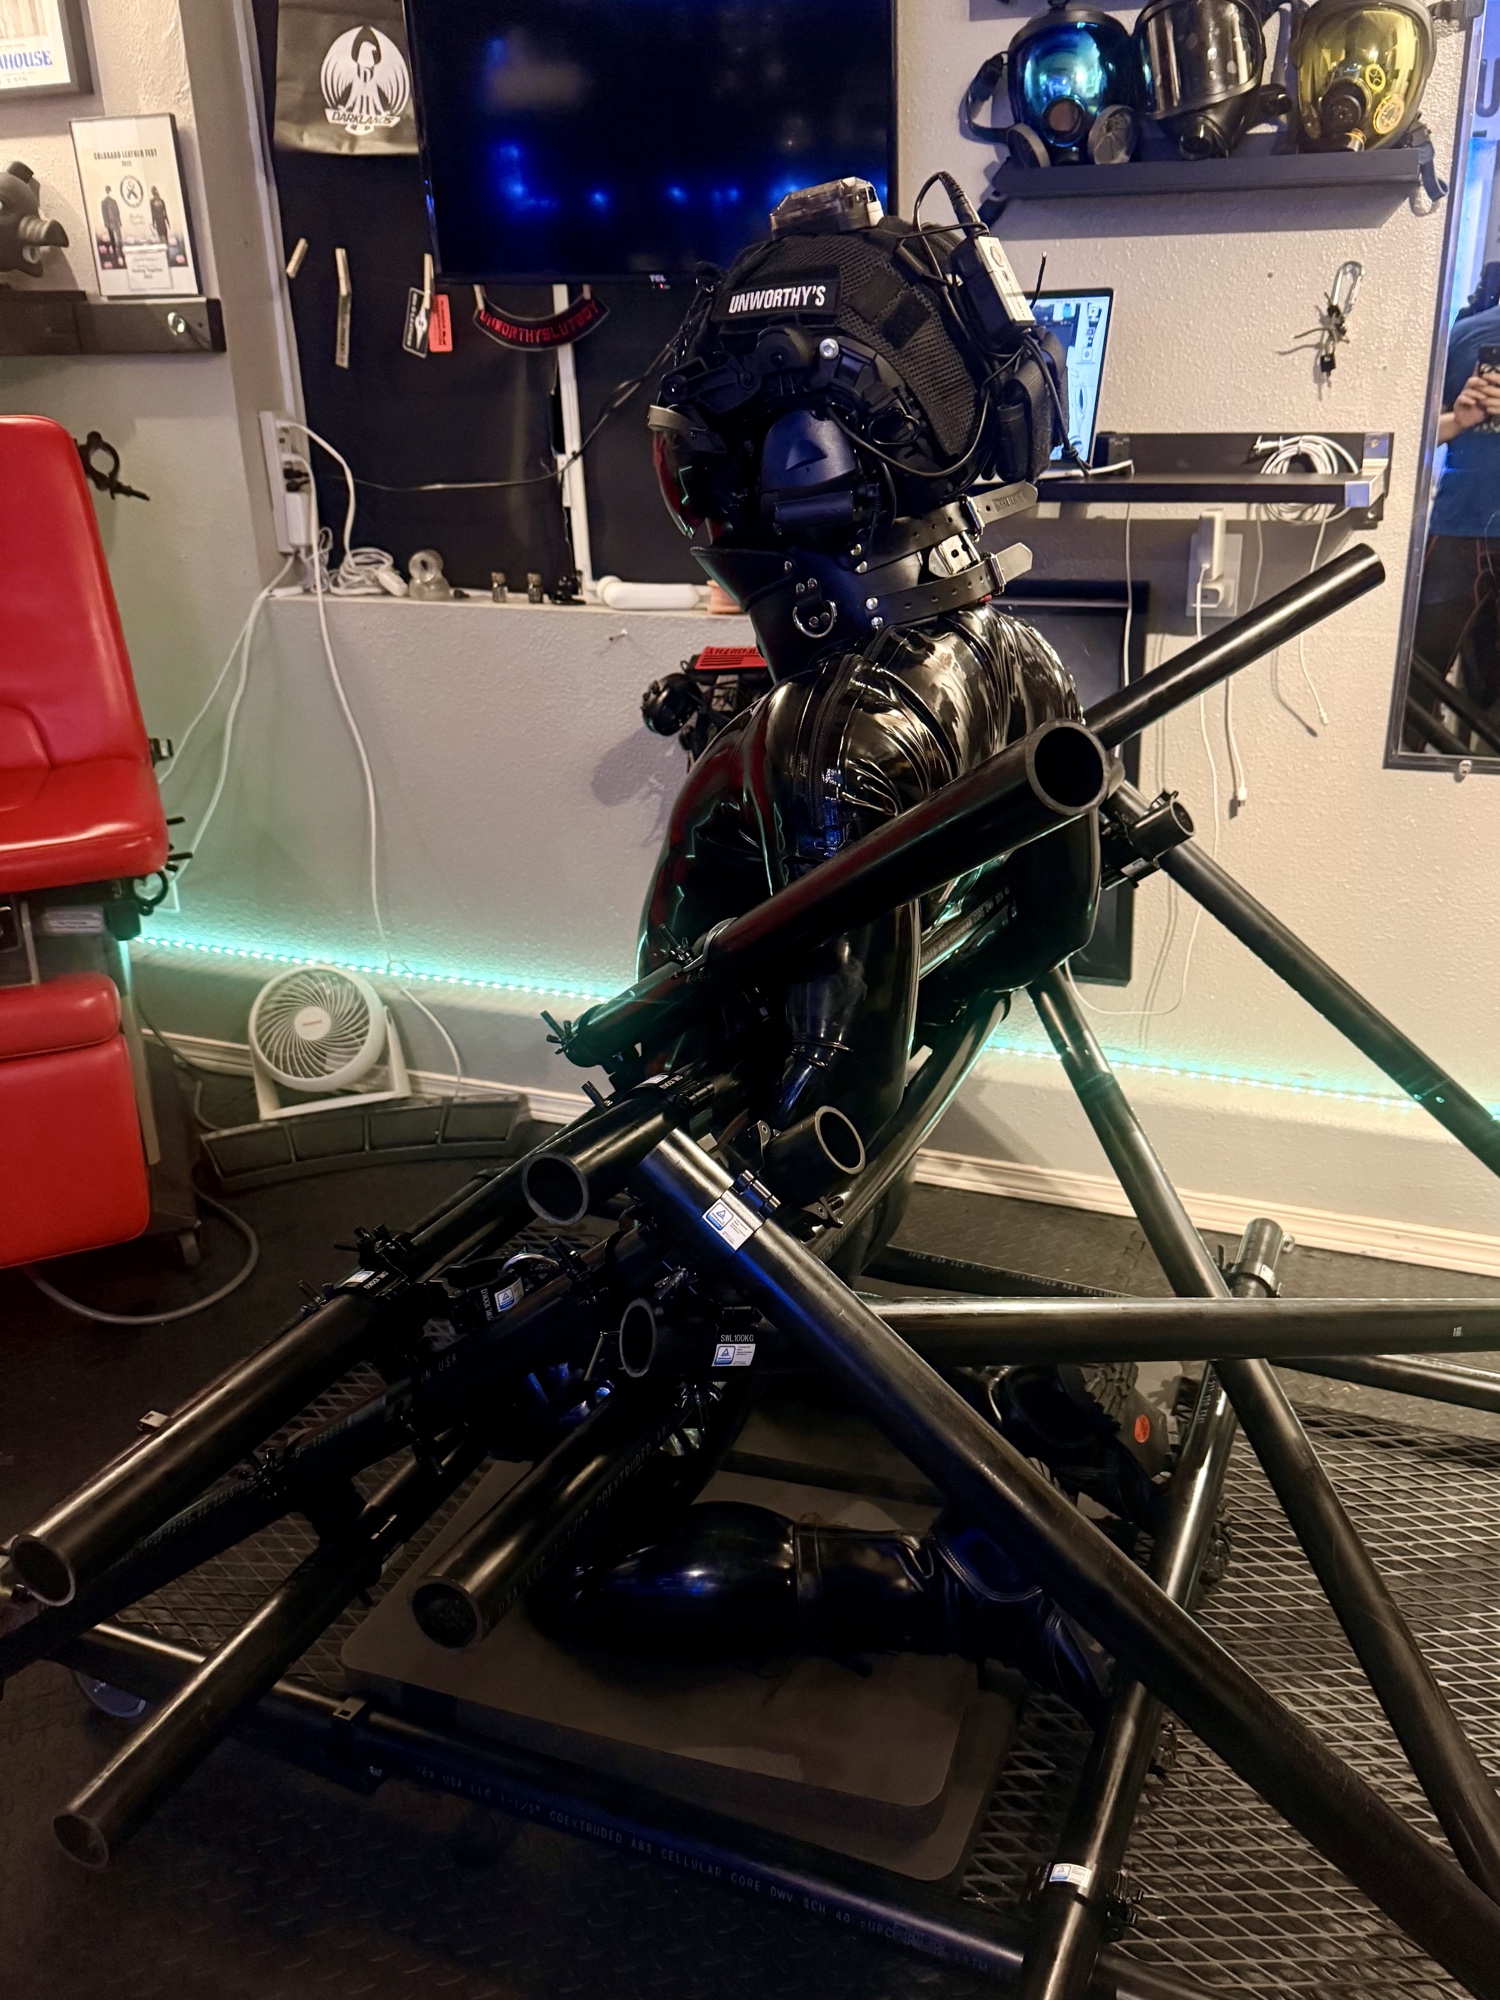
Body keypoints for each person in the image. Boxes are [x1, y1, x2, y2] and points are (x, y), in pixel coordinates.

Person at [1406, 298, 1500, 749]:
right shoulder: (1466, 335)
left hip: (1461, 528)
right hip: (1460, 529)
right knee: (1416, 677)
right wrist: (1459, 420)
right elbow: (1415, 434)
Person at [99, 185, 122, 264]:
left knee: (119, 237)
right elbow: (104, 213)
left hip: (115, 221)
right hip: (110, 222)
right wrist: (106, 222)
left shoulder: (113, 201)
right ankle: (115, 253)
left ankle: (120, 251)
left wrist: (119, 221)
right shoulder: (104, 202)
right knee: (112, 238)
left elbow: (117, 211)